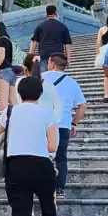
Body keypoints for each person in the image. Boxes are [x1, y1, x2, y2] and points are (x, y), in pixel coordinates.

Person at [0, 74, 61, 216]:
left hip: (16, 167)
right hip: (42, 165)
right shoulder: (47, 113)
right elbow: (53, 146)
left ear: (18, 93)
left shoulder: (8, 112)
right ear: (41, 94)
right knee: (48, 208)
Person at [41, 52, 87, 198]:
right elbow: (82, 106)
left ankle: (41, 186)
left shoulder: (40, 78)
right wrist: (74, 123)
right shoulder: (72, 83)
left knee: (41, 156)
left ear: (51, 63)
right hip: (62, 126)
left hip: (42, 123)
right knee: (61, 157)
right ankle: (59, 188)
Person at [0, 20, 19, 125]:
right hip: (12, 72)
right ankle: (16, 122)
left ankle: (3, 124)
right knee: (13, 100)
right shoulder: (8, 40)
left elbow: (1, 58)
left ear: (0, 29)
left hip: (4, 72)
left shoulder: (0, 41)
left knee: (3, 100)